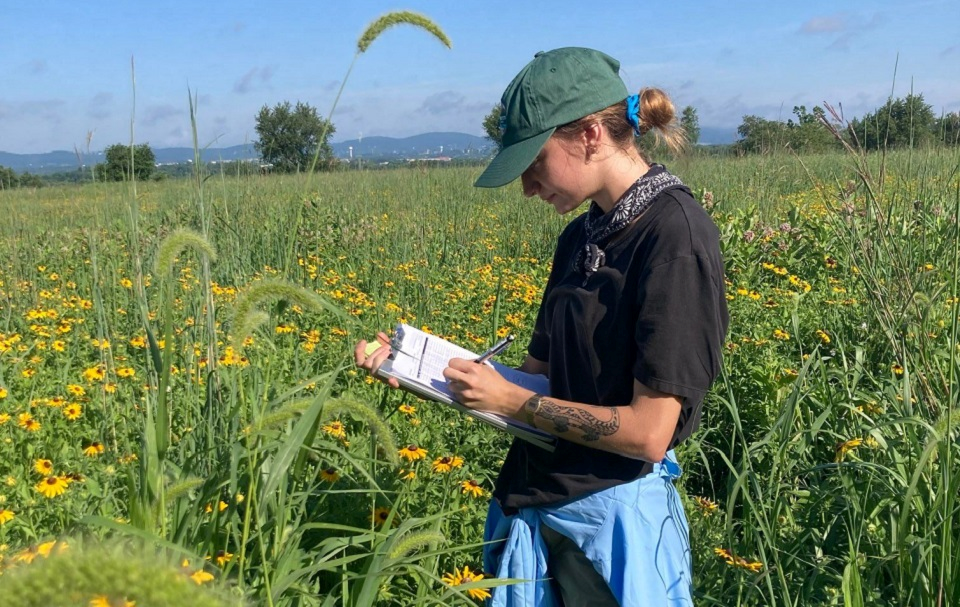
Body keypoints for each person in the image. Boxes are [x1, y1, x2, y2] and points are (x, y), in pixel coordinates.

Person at [356, 47, 728, 606]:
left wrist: (513, 404)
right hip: (539, 503)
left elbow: (650, 434)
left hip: (611, 525)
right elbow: (538, 378)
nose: (528, 187)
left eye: (534, 163)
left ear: (589, 135)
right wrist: (424, 369)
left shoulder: (675, 238)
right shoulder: (580, 239)